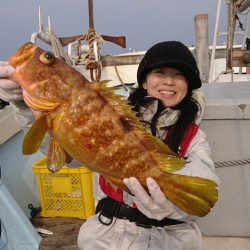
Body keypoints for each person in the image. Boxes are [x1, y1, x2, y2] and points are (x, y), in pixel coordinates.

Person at [0, 41, 220, 250]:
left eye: (179, 76)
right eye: (159, 73)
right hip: (105, 236)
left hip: (168, 241)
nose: (169, 82)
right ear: (144, 81)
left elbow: (204, 182)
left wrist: (172, 207)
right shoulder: (113, 114)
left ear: (188, 86)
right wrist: (23, 105)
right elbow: (69, 155)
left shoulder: (194, 136)